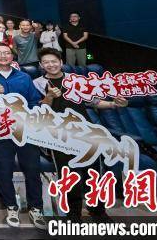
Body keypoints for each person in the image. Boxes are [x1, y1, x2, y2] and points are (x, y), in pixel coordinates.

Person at [34, 47, 127, 222]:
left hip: (85, 131)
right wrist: (49, 96)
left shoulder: (75, 80)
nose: (50, 65)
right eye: (46, 62)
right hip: (58, 135)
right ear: (41, 65)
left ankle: (98, 210)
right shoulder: (37, 83)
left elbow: (95, 102)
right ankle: (73, 212)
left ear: (61, 62)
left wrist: (114, 104)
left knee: (93, 172)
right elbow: (40, 109)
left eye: (54, 61)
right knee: (68, 174)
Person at [0, 43, 46, 230]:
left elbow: (34, 101)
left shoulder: (24, 77)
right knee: (4, 169)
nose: (3, 56)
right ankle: (11, 207)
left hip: (25, 130)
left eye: (6, 53)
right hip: (1, 131)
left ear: (12, 56)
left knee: (32, 169)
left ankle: (36, 208)